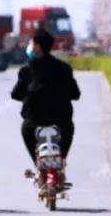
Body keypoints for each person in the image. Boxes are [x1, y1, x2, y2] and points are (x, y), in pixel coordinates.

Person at [11, 28, 81, 165]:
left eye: (31, 43)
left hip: (34, 122)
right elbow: (75, 94)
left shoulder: (26, 70)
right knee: (68, 130)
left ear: (37, 46)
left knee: (25, 131)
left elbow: (16, 94)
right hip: (62, 121)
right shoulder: (64, 68)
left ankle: (38, 165)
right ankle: (61, 162)